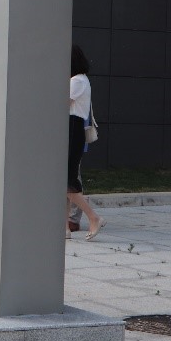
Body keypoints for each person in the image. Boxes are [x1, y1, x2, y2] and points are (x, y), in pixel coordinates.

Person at [67, 44, 103, 240]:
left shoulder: (77, 81)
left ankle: (93, 217)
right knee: (66, 181)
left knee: (67, 181)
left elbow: (59, 102)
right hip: (71, 129)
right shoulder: (80, 80)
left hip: (72, 129)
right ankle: (65, 227)